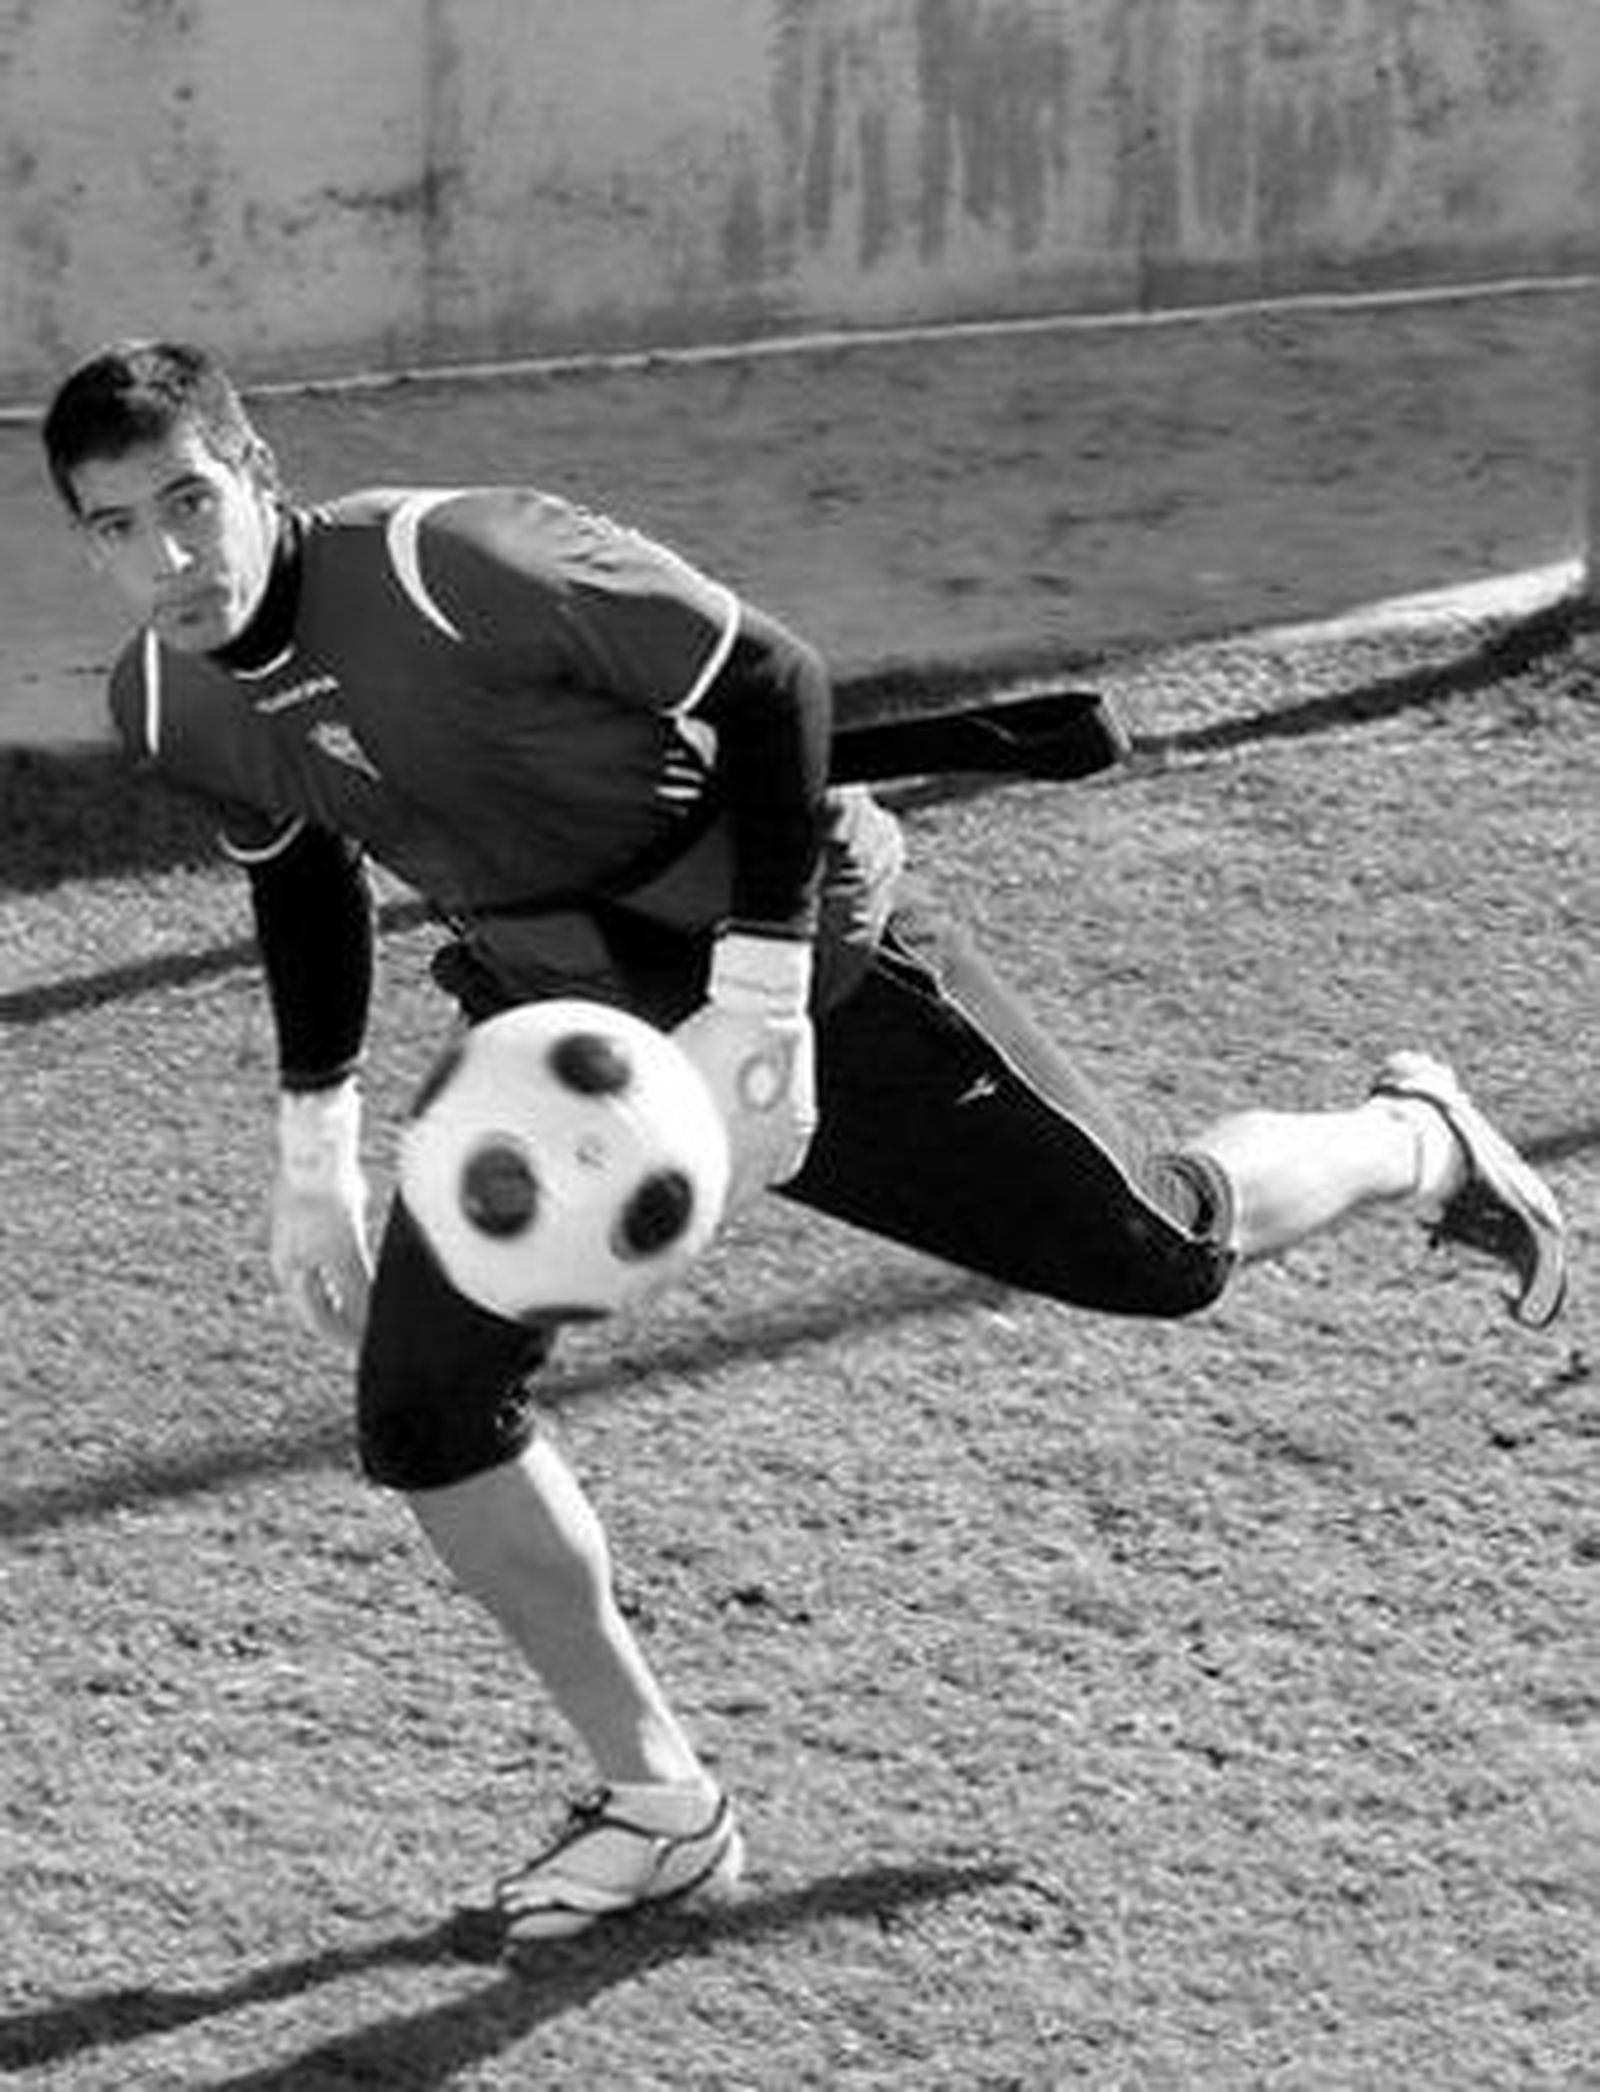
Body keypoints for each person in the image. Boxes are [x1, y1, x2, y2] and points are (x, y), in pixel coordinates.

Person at [41, 338, 1567, 1951]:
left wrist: (762, 1005)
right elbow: (300, 875)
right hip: (566, 1049)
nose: (170, 560)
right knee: (422, 1407)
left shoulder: (459, 560)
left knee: (1162, 1251)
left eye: (192, 504)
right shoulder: (163, 694)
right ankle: (659, 1805)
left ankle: (1415, 1138)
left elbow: (772, 681)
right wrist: (313, 1152)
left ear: (258, 476)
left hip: (814, 961)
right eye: (116, 528)